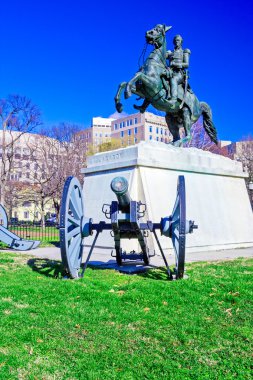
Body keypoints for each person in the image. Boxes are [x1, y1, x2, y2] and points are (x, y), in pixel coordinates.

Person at [166, 35, 191, 105]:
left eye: (178, 40)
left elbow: (186, 64)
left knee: (173, 79)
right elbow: (162, 56)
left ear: (181, 42)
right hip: (170, 71)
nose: (177, 41)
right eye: (176, 40)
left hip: (179, 73)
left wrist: (175, 64)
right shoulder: (170, 53)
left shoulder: (184, 52)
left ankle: (173, 99)